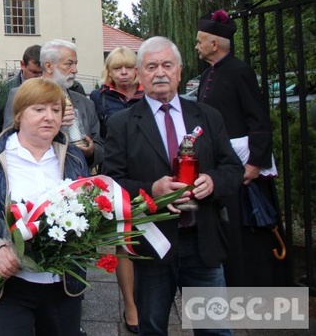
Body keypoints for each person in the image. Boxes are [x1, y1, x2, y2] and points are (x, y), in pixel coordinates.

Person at [102, 36, 243, 336]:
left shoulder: (207, 116)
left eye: (167, 65)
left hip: (202, 240)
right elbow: (111, 184)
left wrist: (214, 181)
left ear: (180, 70)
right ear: (140, 75)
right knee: (152, 328)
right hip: (153, 244)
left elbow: (233, 168)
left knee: (214, 330)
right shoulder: (122, 124)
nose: (160, 73)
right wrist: (152, 189)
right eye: (151, 66)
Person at [0, 78, 89, 336]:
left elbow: (86, 211)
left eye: (55, 110)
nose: (49, 117)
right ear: (19, 114)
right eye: (39, 109)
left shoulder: (73, 157)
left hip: (62, 286)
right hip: (8, 287)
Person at [195, 10, 283, 287]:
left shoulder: (240, 70)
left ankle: (256, 290)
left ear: (215, 44)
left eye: (200, 41)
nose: (196, 46)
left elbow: (257, 118)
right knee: (226, 230)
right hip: (220, 165)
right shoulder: (209, 73)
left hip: (244, 168)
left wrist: (255, 163)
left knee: (247, 233)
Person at [88, 46, 144, 333]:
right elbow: (97, 136)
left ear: (137, 69)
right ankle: (131, 304)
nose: (123, 73)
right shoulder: (99, 97)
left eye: (128, 67)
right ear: (108, 72)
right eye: (116, 68)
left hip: (149, 171)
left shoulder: (149, 95)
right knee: (125, 241)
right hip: (118, 173)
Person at [4, 40, 104, 169]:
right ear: (49, 66)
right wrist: (54, 123)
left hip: (75, 179)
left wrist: (91, 151)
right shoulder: (20, 95)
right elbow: (8, 136)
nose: (75, 70)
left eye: (75, 64)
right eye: (69, 64)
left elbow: (100, 146)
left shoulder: (86, 103)